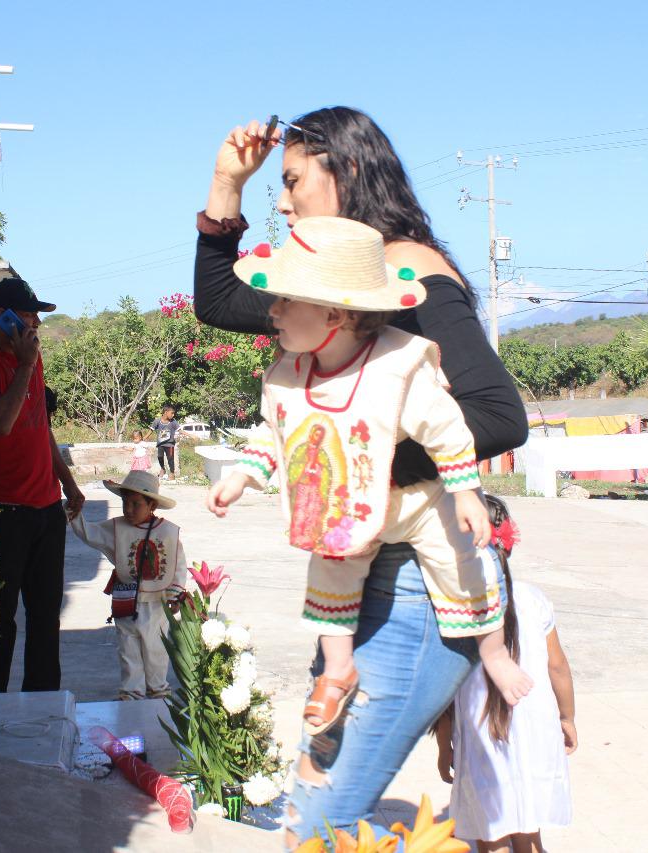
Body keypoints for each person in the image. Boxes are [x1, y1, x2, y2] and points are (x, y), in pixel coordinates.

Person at [193, 107, 529, 845]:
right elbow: (218, 302)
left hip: (413, 580)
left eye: (290, 183)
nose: (279, 204)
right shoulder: (324, 298)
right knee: (313, 807)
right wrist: (226, 184)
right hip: (357, 571)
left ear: (343, 172)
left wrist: (359, 459)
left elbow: (498, 415)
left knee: (320, 816)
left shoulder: (406, 277)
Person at [206, 217, 532, 736]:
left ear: (334, 314)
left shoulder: (395, 368)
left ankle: (493, 652)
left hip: (419, 504)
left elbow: (446, 428)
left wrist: (466, 492)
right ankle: (338, 670)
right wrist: (244, 475)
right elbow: (276, 431)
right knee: (330, 575)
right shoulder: (291, 372)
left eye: (287, 300)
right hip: (345, 507)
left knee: (462, 565)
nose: (272, 311)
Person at [0, 277, 85, 693]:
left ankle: (44, 705)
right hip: (4, 512)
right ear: (2, 319)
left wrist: (68, 483)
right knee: (0, 619)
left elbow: (42, 428)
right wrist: (22, 365)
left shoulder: (32, 360)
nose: (36, 322)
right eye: (28, 315)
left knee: (45, 617)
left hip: (45, 508)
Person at [434, 556, 576, 853]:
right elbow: (558, 666)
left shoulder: (453, 606)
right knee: (528, 831)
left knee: (492, 833)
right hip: (535, 730)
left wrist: (445, 744)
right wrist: (567, 717)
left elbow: (444, 686)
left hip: (480, 737)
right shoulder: (532, 598)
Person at [71, 471, 186, 699]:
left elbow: (177, 565)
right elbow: (89, 533)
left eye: (136, 504)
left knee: (155, 650)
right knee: (128, 650)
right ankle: (131, 694)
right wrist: (74, 515)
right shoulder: (116, 528)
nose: (129, 509)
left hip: (157, 605)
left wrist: (175, 595)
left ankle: (157, 692)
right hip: (126, 603)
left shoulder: (169, 533)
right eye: (125, 503)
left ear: (151, 504)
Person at [152, 405, 181, 480]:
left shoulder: (173, 422)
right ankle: (163, 469)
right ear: (166, 412)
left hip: (170, 444)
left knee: (170, 459)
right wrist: (145, 437)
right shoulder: (157, 421)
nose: (173, 415)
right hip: (161, 444)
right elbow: (151, 430)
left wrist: (190, 435)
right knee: (160, 457)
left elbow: (180, 430)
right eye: (172, 413)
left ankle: (172, 473)